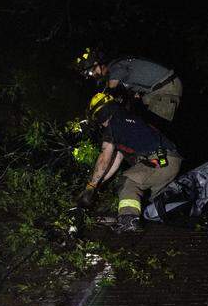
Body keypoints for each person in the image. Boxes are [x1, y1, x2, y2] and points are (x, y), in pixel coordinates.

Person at [75, 92, 182, 233]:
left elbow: (104, 157)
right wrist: (95, 184)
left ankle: (129, 220)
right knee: (149, 195)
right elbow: (116, 160)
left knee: (127, 181)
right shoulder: (126, 121)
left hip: (159, 161)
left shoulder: (113, 126)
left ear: (99, 115)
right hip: (169, 161)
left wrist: (91, 186)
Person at [76, 48, 182, 123]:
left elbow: (111, 90)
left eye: (92, 71)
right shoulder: (116, 73)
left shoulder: (115, 67)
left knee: (153, 127)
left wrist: (94, 109)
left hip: (166, 87)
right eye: (90, 74)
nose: (93, 75)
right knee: (139, 118)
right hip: (156, 90)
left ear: (97, 63)